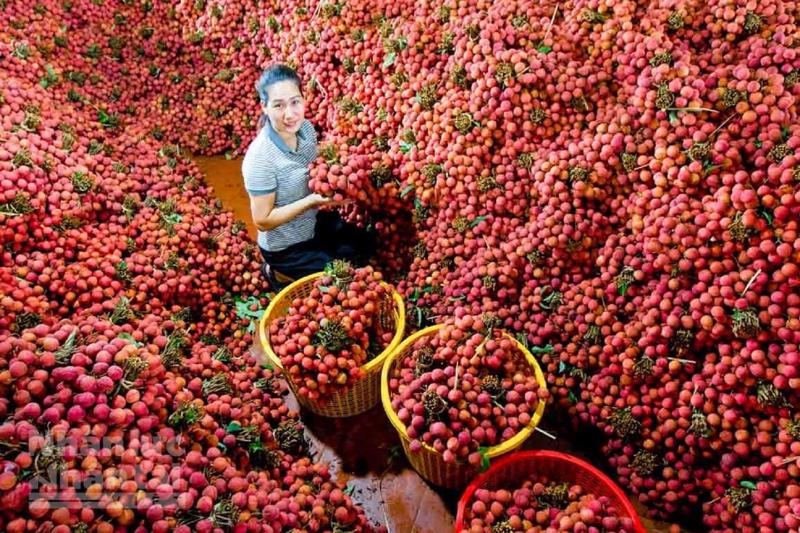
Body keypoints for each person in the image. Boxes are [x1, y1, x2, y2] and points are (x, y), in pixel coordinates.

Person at [242, 64, 376, 289]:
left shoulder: (305, 129)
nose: (290, 114)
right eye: (279, 105)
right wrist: (312, 201)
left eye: (295, 102)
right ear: (264, 106)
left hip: (311, 224)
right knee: (340, 282)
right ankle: (277, 271)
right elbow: (262, 221)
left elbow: (317, 169)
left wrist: (340, 171)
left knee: (366, 244)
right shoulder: (260, 159)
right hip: (285, 247)